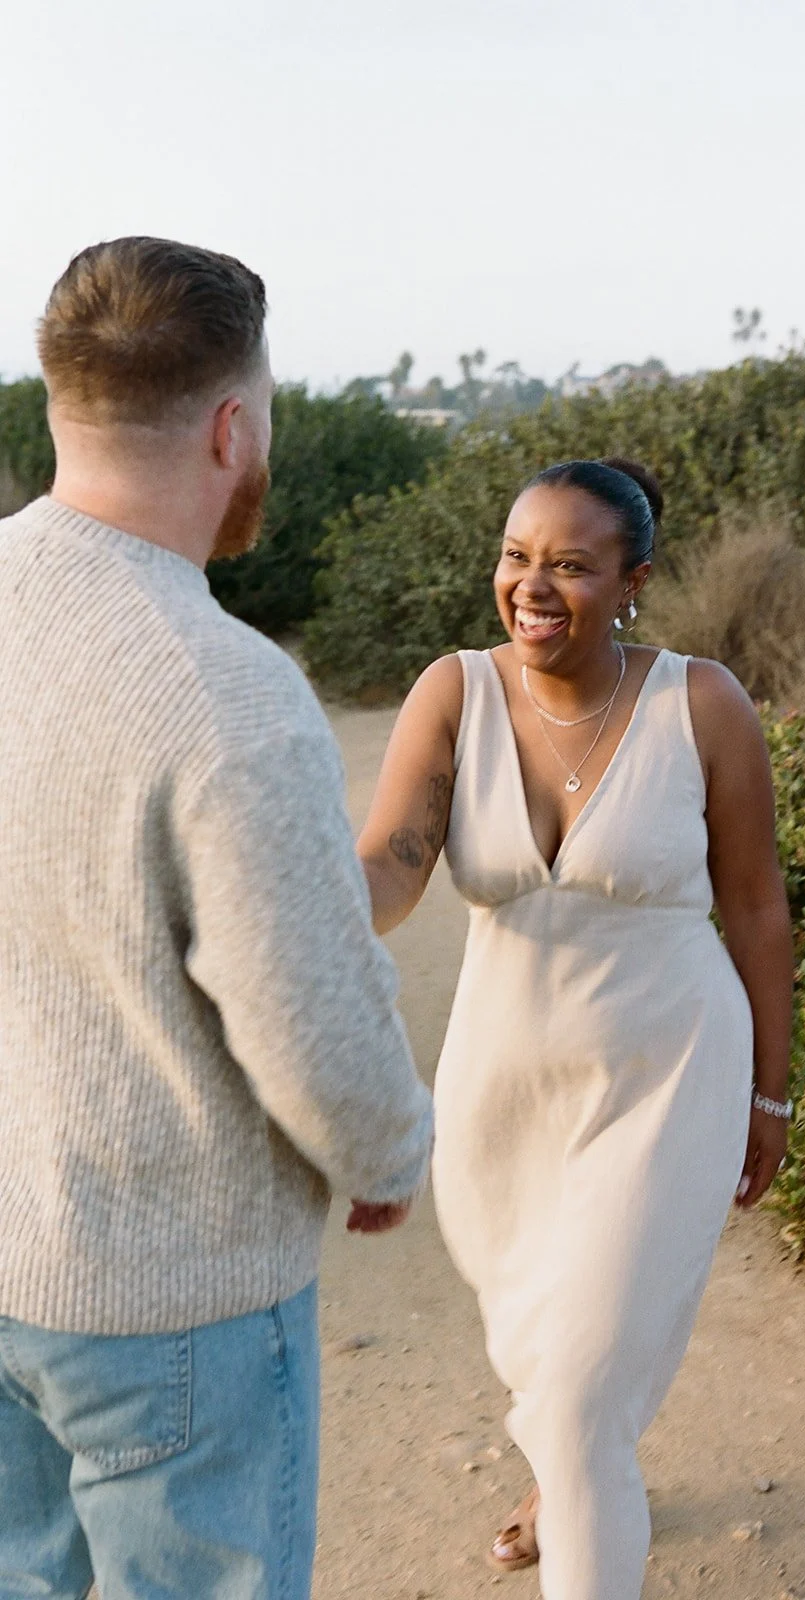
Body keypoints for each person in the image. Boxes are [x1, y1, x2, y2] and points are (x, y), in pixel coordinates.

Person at [0, 237, 434, 1599]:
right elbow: (304, 1009)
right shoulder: (221, 686)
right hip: (169, 1298)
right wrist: (386, 1149)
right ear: (233, 428)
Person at [357, 456, 794, 1600]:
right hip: (499, 1090)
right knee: (542, 1352)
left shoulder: (701, 704)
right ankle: (565, 1470)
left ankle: (576, 1473)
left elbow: (755, 906)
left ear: (632, 582)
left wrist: (771, 1090)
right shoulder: (454, 692)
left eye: (569, 564)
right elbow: (390, 866)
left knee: (583, 1387)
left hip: (668, 1073)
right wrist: (286, 898)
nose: (532, 585)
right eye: (515, 556)